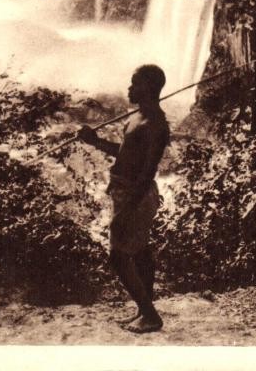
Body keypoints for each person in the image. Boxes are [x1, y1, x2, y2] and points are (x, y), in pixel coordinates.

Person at [78, 64, 170, 333]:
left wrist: (129, 209)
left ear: (149, 88)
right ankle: (144, 310)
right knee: (140, 251)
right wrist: (94, 141)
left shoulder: (156, 124)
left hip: (137, 195)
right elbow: (125, 154)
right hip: (126, 191)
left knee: (117, 256)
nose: (129, 88)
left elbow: (148, 171)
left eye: (135, 84)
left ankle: (150, 315)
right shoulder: (138, 116)